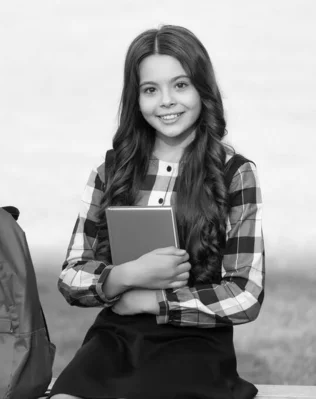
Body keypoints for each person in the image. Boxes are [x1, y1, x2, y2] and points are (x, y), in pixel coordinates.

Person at [49, 25, 265, 399]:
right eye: (151, 90)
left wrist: (151, 301)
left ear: (203, 90)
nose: (166, 101)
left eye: (180, 85)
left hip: (196, 343)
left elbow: (245, 294)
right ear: (136, 99)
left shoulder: (234, 173)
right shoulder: (110, 172)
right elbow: (71, 275)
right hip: (115, 338)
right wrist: (126, 275)